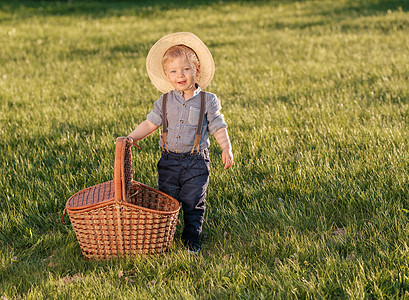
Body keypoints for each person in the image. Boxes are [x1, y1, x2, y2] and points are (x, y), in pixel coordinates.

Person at [127, 32, 233, 253]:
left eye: (186, 69)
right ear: (167, 75)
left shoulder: (208, 100)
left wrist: (226, 147)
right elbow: (150, 123)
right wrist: (131, 137)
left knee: (193, 202)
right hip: (169, 162)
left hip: (196, 162)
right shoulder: (164, 101)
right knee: (168, 200)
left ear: (197, 70)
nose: (180, 75)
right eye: (174, 71)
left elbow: (217, 125)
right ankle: (166, 237)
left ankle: (192, 238)